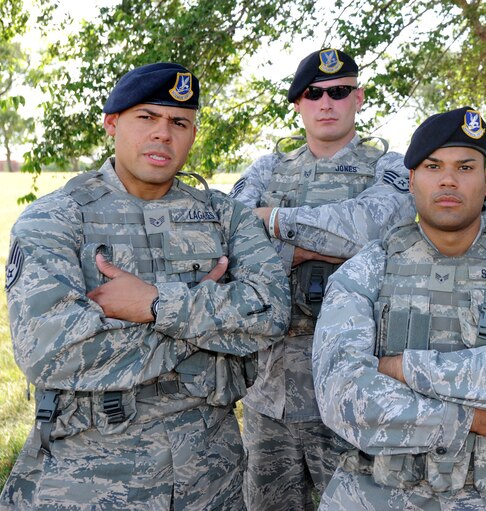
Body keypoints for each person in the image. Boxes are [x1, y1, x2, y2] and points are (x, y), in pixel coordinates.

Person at [0, 63, 290, 510]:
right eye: (146, 118)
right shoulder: (56, 219)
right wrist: (210, 329)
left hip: (212, 473)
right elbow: (50, 352)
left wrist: (154, 305)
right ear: (112, 123)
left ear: (193, 133)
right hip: (91, 474)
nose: (163, 134)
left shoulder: (222, 215)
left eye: (179, 122)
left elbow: (272, 313)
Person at [313, 107, 486, 509]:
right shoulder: (367, 269)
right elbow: (342, 396)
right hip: (383, 493)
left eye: (466, 167)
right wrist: (470, 420)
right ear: (411, 180)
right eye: (433, 166)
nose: (449, 179)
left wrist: (403, 368)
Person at [229, 48, 410, 510]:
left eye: (339, 92)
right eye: (313, 93)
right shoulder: (267, 168)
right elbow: (227, 238)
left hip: (357, 383)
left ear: (359, 98)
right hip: (269, 390)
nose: (326, 102)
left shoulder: (390, 168)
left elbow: (372, 229)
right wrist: (313, 247)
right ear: (298, 104)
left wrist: (273, 224)